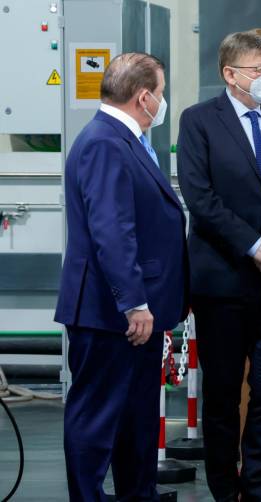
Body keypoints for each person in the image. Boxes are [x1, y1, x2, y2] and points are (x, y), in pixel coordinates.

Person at [177, 31, 261, 502]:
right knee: (221, 393)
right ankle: (223, 485)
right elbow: (201, 198)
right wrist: (252, 244)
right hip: (224, 281)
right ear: (230, 75)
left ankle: (256, 483)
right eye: (259, 69)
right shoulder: (198, 122)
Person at [56, 52, 188, 502]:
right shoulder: (105, 143)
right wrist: (133, 302)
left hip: (135, 310)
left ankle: (138, 493)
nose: (163, 102)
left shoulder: (124, 139)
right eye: (162, 93)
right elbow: (111, 230)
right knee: (97, 417)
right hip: (111, 311)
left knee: (134, 417)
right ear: (144, 97)